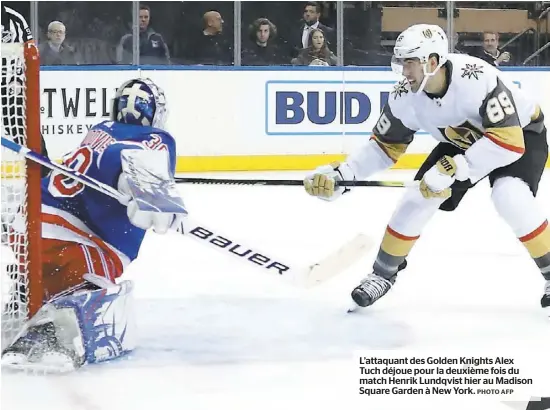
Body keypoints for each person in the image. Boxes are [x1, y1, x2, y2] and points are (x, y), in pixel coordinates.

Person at [303, 24, 549, 312]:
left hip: (520, 134)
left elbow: (509, 142)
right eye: (401, 62)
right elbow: (384, 147)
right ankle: (382, 274)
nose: (404, 71)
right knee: (419, 196)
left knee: (509, 196)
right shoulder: (405, 96)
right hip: (464, 139)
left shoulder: (477, 77)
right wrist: (344, 175)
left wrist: (457, 167)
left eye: (410, 62)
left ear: (432, 62)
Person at [1, 78, 186, 372]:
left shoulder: (100, 130)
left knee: (55, 267)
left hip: (30, 226)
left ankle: (27, 295)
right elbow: (130, 155)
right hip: (72, 241)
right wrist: (145, 187)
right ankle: (46, 329)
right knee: (88, 280)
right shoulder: (156, 137)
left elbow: (108, 157)